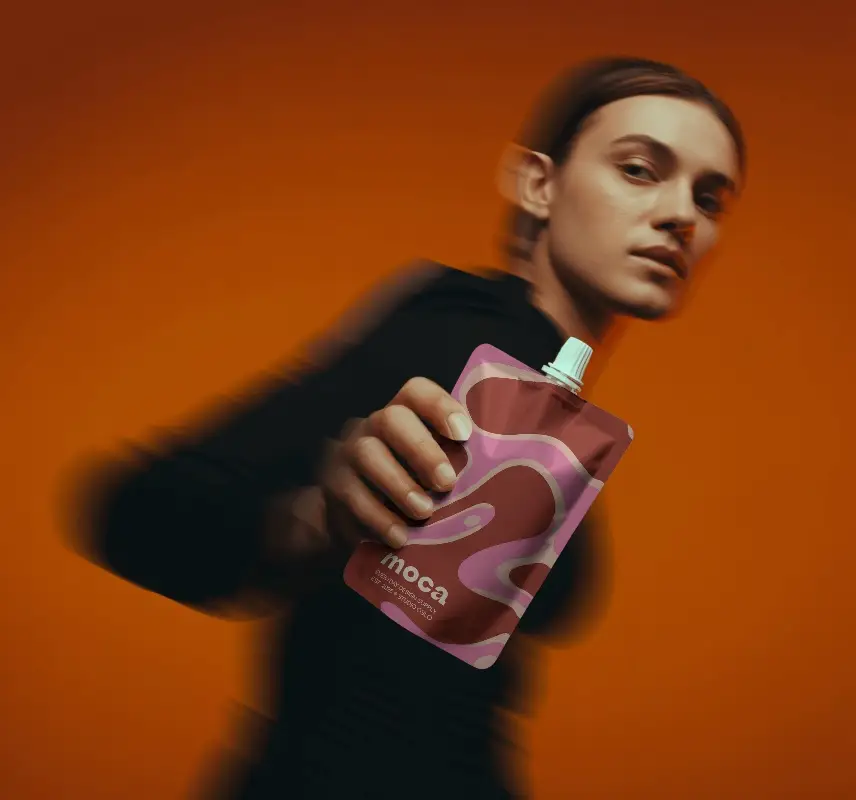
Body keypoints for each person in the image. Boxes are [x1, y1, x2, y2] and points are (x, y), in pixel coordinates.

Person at [74, 56, 745, 798]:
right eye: (641, 169)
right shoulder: (460, 331)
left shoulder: (542, 382)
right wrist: (319, 517)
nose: (683, 214)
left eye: (710, 197)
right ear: (538, 185)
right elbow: (137, 507)